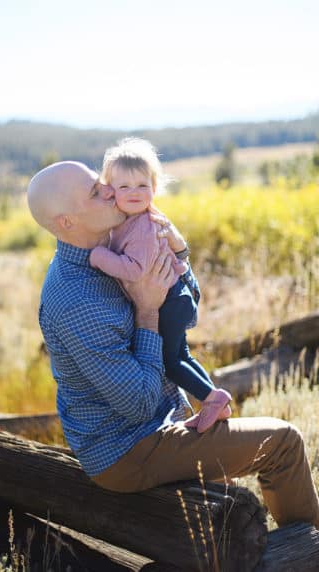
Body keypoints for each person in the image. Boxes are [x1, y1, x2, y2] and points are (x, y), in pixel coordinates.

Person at [26, 160, 319, 529]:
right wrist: (147, 311)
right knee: (284, 443)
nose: (110, 191)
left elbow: (188, 307)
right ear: (66, 222)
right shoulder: (75, 299)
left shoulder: (122, 237)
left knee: (233, 511)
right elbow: (138, 404)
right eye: (95, 192)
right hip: (130, 449)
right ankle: (307, 556)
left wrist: (178, 254)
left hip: (161, 420)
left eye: (102, 183)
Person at [89, 137, 231, 433]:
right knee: (181, 355)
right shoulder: (133, 221)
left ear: (154, 188)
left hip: (168, 301)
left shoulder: (142, 225)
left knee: (170, 363)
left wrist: (100, 256)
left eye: (142, 185)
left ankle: (211, 398)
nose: (134, 192)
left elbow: (135, 269)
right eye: (124, 186)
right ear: (108, 190)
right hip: (176, 296)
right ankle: (216, 402)